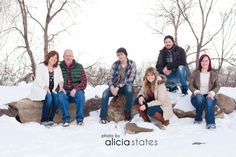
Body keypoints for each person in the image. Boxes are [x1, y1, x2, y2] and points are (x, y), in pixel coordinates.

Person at [100, 47, 137, 124]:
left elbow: (130, 79)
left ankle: (127, 111)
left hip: (126, 86)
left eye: (121, 54)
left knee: (130, 90)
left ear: (125, 54)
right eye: (118, 55)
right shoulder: (115, 64)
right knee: (105, 94)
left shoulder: (132, 64)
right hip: (115, 87)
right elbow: (110, 78)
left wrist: (118, 86)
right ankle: (103, 117)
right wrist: (112, 87)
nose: (120, 56)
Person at [29, 50, 64, 126]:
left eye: (56, 58)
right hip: (40, 88)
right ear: (49, 56)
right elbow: (38, 78)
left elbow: (61, 78)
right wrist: (45, 87)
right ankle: (44, 120)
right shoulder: (41, 66)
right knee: (49, 97)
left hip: (51, 90)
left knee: (56, 99)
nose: (54, 59)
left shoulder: (57, 67)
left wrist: (61, 87)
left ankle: (50, 120)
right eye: (53, 57)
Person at [189, 54, 220, 129]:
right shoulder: (195, 72)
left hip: (210, 95)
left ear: (209, 62)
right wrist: (195, 91)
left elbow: (218, 86)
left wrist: (212, 93)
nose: (204, 62)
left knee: (209, 101)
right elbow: (190, 85)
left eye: (206, 61)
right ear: (200, 62)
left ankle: (210, 124)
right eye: (202, 61)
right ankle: (198, 118)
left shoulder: (213, 73)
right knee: (200, 98)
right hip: (197, 96)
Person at [58, 49, 87, 127]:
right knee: (60, 96)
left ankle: (80, 119)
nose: (68, 57)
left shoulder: (79, 66)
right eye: (66, 55)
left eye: (70, 55)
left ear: (73, 57)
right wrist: (60, 88)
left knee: (81, 95)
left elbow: (84, 82)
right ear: (63, 57)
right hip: (64, 90)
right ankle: (66, 119)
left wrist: (75, 89)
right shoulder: (58, 67)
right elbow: (55, 81)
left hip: (75, 91)